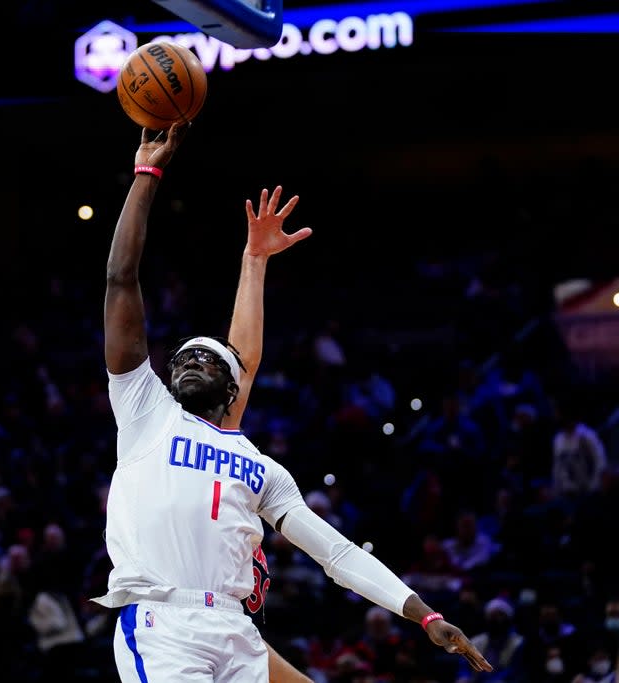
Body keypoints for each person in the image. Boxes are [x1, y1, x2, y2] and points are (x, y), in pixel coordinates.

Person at [92, 123, 493, 683]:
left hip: (236, 630)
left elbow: (338, 553)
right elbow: (120, 279)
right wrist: (146, 174)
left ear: (232, 388)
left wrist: (423, 613)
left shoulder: (260, 467)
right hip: (165, 622)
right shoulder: (145, 412)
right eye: (181, 358)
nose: (188, 363)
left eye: (208, 359)